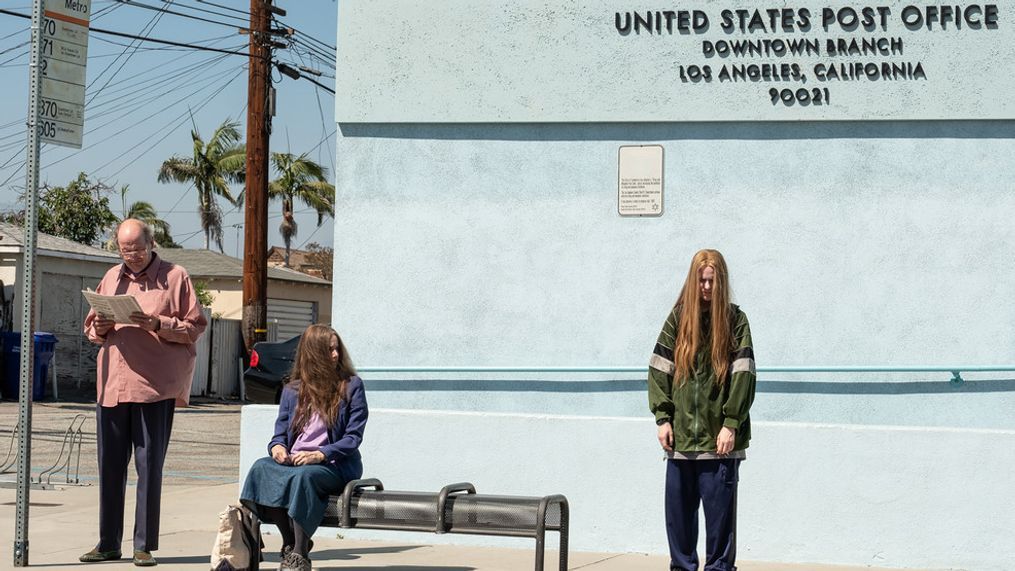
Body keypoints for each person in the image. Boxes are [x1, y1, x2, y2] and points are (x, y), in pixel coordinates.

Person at [80, 219, 208, 567]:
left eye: (137, 250)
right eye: (125, 251)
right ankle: (108, 543)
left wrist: (158, 324)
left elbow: (196, 326)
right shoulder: (111, 277)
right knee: (109, 466)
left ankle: (143, 546)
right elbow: (92, 327)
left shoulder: (175, 276)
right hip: (112, 385)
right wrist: (100, 326)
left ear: (151, 244)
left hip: (154, 387)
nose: (132, 257)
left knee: (148, 467)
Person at [648, 248, 756, 571]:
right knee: (679, 527)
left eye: (712, 281)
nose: (706, 287)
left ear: (721, 282)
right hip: (681, 445)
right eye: (701, 280)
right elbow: (658, 369)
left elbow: (744, 374)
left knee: (720, 534)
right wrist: (663, 418)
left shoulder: (736, 321)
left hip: (719, 446)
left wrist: (731, 423)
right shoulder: (678, 319)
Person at [240, 323, 368, 571]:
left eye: (336, 349)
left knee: (303, 478)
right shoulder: (292, 390)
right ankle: (290, 542)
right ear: (313, 354)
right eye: (329, 350)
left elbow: (353, 438)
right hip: (297, 460)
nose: (335, 355)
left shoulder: (351, 385)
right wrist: (277, 448)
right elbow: (279, 433)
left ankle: (299, 553)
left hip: (334, 464)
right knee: (260, 469)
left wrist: (320, 454)